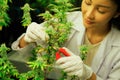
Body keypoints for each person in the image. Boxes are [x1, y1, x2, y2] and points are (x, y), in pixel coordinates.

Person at [9, 0, 120, 80]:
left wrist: (89, 75)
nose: (89, 14)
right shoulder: (65, 21)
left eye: (101, 10)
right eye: (87, 2)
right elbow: (29, 56)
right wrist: (27, 39)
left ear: (116, 13)